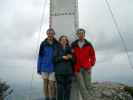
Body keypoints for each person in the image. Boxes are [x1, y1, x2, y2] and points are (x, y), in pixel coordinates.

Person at [71, 28, 96, 100]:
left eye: (82, 33)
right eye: (79, 33)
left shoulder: (88, 44)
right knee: (82, 86)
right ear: (77, 35)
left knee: (88, 85)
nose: (81, 35)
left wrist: (91, 64)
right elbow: (71, 55)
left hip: (87, 68)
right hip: (77, 68)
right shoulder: (73, 44)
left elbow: (93, 55)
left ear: (84, 35)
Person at [37, 28, 58, 100]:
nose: (50, 35)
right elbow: (40, 56)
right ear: (47, 34)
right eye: (49, 33)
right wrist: (39, 68)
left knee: (51, 85)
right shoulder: (43, 44)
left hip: (53, 67)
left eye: (52, 33)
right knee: (45, 84)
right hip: (44, 67)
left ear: (54, 34)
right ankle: (47, 98)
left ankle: (53, 98)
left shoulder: (56, 43)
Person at [53, 35, 74, 100]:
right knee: (60, 91)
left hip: (68, 73)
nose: (64, 41)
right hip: (59, 73)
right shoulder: (56, 48)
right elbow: (54, 59)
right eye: (62, 40)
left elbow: (74, 61)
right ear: (60, 41)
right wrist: (62, 57)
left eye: (65, 40)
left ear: (67, 41)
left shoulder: (70, 48)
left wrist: (71, 57)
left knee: (68, 91)